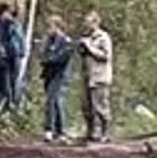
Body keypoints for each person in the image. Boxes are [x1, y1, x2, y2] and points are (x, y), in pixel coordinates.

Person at [79, 10, 114, 142]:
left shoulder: (103, 37)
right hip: (88, 75)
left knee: (101, 106)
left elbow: (106, 56)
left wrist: (90, 48)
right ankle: (91, 131)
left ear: (95, 22)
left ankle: (106, 132)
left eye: (88, 23)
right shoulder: (87, 37)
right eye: (85, 23)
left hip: (100, 76)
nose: (86, 26)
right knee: (87, 106)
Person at [0, 3, 25, 113]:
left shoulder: (13, 25)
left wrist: (20, 52)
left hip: (9, 58)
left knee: (9, 83)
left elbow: (19, 41)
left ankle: (9, 106)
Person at [41, 15, 73, 142]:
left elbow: (62, 58)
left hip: (60, 75)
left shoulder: (65, 41)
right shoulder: (48, 40)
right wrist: (47, 59)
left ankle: (51, 129)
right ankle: (59, 131)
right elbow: (43, 54)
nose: (49, 30)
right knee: (53, 101)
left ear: (57, 27)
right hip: (49, 74)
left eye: (51, 27)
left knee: (53, 100)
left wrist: (50, 59)